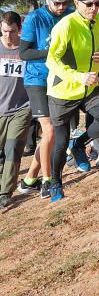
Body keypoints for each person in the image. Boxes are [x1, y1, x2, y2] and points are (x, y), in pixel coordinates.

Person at [45, 0, 99, 202]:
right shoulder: (66, 25)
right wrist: (78, 77)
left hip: (89, 88)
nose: (94, 8)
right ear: (76, 4)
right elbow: (52, 60)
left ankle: (78, 145)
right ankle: (55, 183)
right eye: (89, 5)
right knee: (60, 142)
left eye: (97, 4)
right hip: (63, 90)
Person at [17, 0, 73, 199]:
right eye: (56, 4)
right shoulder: (35, 18)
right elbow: (24, 53)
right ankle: (48, 180)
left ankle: (30, 178)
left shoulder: (70, 13)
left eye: (64, 3)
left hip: (60, 78)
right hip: (37, 79)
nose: (60, 8)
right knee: (49, 130)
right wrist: (51, 52)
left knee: (54, 134)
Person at [0, 12, 30, 208]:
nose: (7, 36)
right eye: (3, 31)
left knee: (13, 149)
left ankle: (5, 192)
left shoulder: (27, 49)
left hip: (22, 108)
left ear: (19, 30)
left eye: (11, 32)